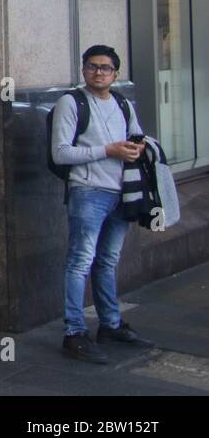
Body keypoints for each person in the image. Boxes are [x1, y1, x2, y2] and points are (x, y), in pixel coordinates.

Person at [51, 44, 157, 363]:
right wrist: (108, 150)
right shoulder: (70, 102)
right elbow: (61, 153)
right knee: (80, 260)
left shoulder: (122, 102)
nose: (99, 72)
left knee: (108, 261)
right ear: (83, 70)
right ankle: (74, 332)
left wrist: (137, 149)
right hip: (88, 191)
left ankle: (110, 325)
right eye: (93, 66)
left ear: (116, 73)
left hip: (122, 192)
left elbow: (137, 137)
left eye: (106, 67)